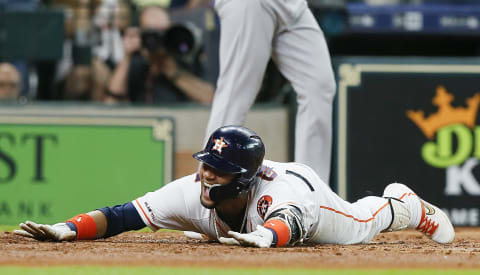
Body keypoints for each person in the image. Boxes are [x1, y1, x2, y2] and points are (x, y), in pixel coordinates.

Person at [14, 125, 455, 247]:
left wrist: (263, 237)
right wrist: (69, 229)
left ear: (243, 178)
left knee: (361, 223)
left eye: (219, 170)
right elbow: (119, 217)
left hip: (305, 196)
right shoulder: (191, 190)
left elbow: (286, 221)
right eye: (207, 164)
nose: (207, 174)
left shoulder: (278, 196)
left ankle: (406, 204)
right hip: (268, 209)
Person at [203, 0, 337, 183]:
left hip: (291, 5)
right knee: (236, 93)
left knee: (319, 86)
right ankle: (208, 185)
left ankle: (310, 188)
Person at [106, 5, 214, 104]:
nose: (158, 40)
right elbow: (111, 101)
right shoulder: (135, 62)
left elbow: (210, 99)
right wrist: (126, 57)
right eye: (152, 34)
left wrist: (174, 73)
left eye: (163, 32)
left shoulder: (185, 58)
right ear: (141, 34)